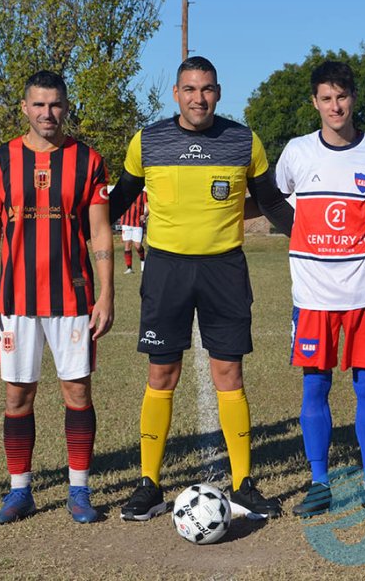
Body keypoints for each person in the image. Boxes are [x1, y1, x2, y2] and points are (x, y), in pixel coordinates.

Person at [109, 56, 294, 521]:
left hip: (224, 270)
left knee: (229, 375)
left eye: (207, 89)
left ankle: (244, 484)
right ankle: (149, 484)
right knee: (161, 376)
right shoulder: (147, 140)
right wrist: (78, 237)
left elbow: (271, 201)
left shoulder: (242, 140)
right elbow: (121, 198)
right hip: (166, 269)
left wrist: (313, 237)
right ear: (176, 93)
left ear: (219, 91)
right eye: (190, 89)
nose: (199, 98)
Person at [0, 71, 113, 525]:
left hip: (73, 298)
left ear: (66, 107)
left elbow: (99, 230)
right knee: (18, 396)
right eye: (38, 105)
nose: (47, 113)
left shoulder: (88, 160)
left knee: (77, 391)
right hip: (15, 299)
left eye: (55, 105)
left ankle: (79, 489)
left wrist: (106, 293)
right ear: (24, 107)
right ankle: (20, 492)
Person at [275, 61, 365, 519]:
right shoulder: (295, 152)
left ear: (353, 98)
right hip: (313, 295)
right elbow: (277, 203)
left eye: (342, 97)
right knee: (316, 386)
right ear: (315, 103)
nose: (335, 106)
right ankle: (319, 482)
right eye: (326, 98)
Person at [119, 187, 147, 274]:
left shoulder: (143, 194)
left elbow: (148, 206)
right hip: (126, 222)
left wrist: (145, 215)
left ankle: (143, 262)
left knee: (138, 246)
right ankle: (129, 268)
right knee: (127, 245)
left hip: (137, 223)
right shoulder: (125, 192)